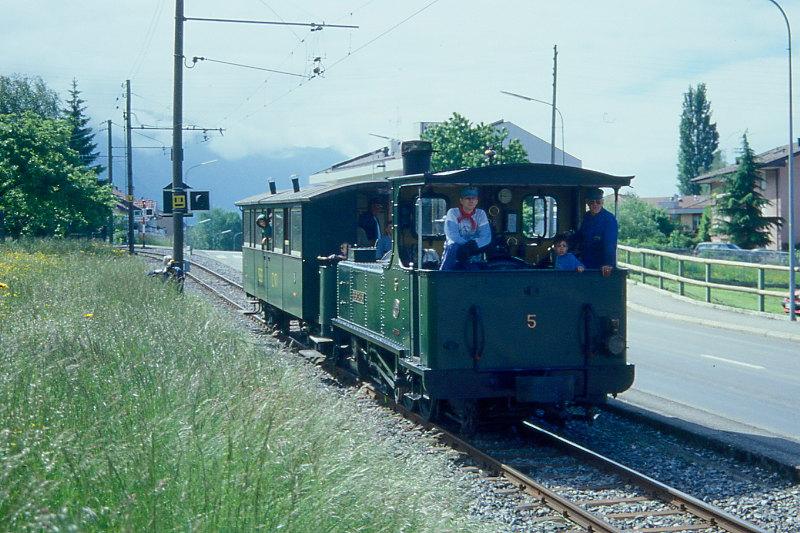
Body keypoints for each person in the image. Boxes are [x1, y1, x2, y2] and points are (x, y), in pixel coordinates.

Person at [439, 187, 491, 271]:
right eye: (467, 198)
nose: (471, 201)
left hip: (473, 249)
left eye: (473, 198)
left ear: (477, 201)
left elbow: (486, 236)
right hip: (455, 251)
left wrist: (472, 246)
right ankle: (444, 275)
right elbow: (452, 235)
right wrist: (465, 245)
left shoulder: (481, 214)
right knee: (452, 247)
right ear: (461, 201)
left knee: (476, 268)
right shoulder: (453, 212)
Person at [574, 188, 617, 276]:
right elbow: (580, 235)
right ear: (587, 203)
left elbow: (610, 243)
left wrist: (608, 264)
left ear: (602, 202)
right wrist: (564, 240)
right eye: (592, 202)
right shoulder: (587, 217)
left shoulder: (609, 219)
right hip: (585, 261)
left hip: (601, 266)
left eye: (598, 202)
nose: (595, 205)